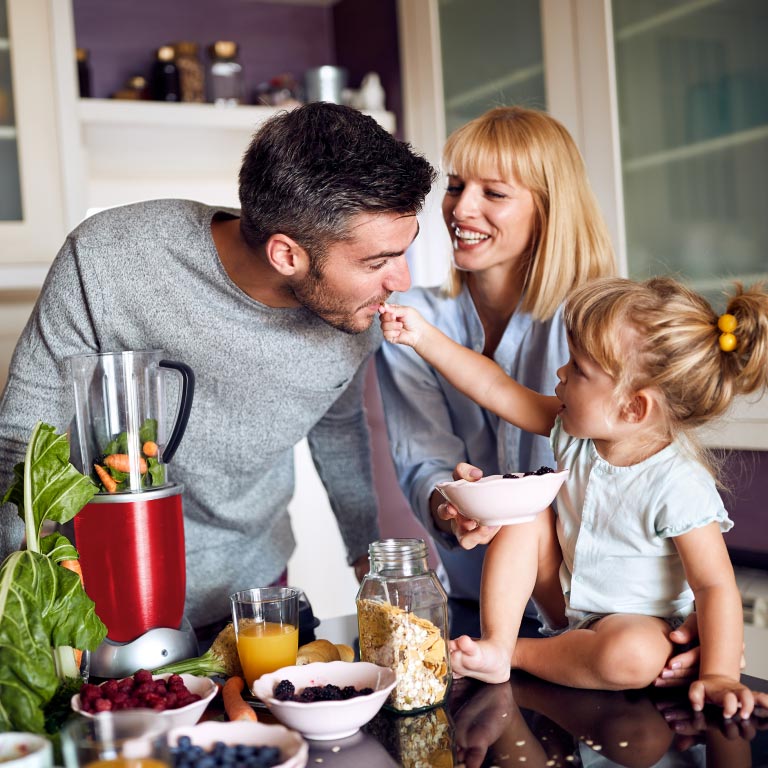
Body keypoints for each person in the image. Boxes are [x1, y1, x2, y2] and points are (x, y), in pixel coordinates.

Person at [0, 102, 436, 637]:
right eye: (377, 262)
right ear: (286, 254)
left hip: (256, 593)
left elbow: (334, 421)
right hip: (100, 597)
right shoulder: (108, 260)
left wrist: (364, 552)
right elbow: (20, 444)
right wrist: (16, 605)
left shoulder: (355, 309)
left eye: (403, 251)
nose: (402, 280)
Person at [380, 275, 768, 718]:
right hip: (564, 603)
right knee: (524, 509)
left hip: (640, 625)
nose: (561, 373)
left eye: (578, 369)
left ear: (633, 408)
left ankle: (514, 654)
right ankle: (496, 642)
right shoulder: (574, 432)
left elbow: (714, 585)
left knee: (635, 655)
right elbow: (496, 389)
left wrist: (719, 674)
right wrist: (423, 337)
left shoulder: (679, 483)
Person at [375, 105, 616, 639]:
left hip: (594, 616)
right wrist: (451, 507)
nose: (462, 209)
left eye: (495, 193)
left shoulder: (598, 325)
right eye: (456, 186)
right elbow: (424, 462)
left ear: (549, 210)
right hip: (474, 609)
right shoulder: (412, 321)